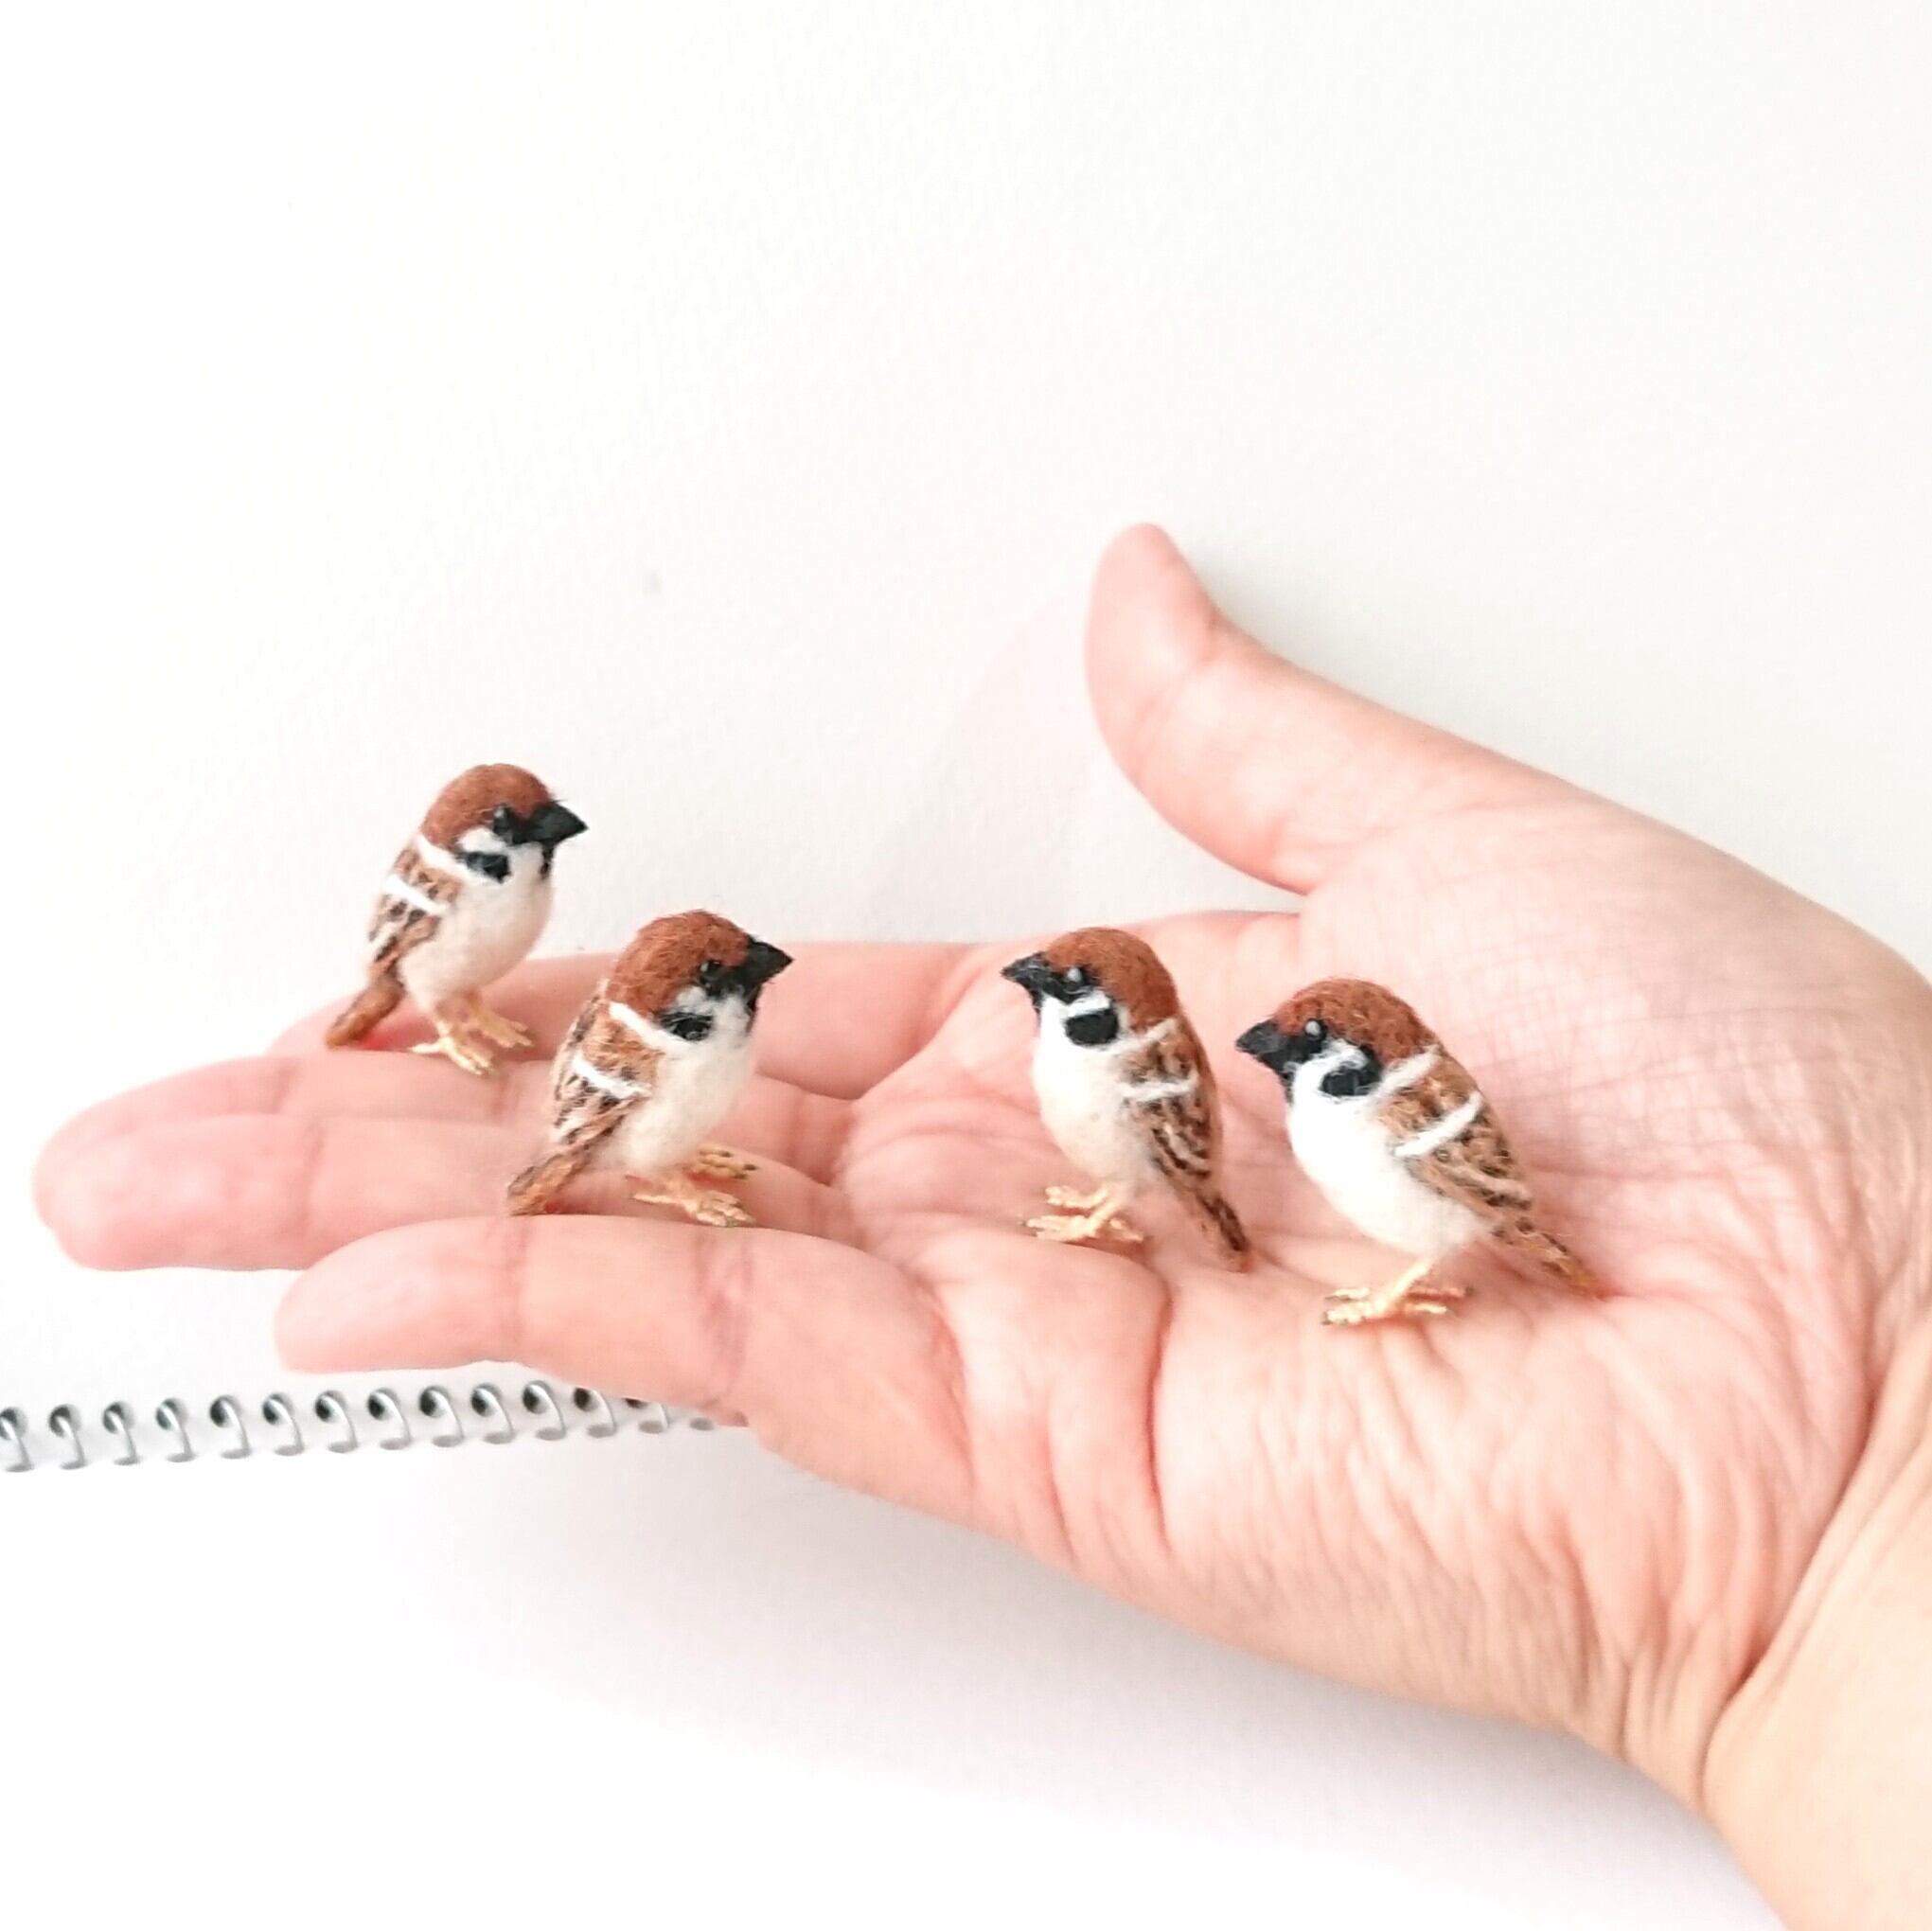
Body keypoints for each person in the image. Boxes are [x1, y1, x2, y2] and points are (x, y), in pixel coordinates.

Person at [35, 527, 1932, 1929]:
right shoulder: (663, 1028)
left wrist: (1839, 1467)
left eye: (1063, 1002)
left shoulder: (1264, 1083)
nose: (1046, 1010)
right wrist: (1826, 1528)